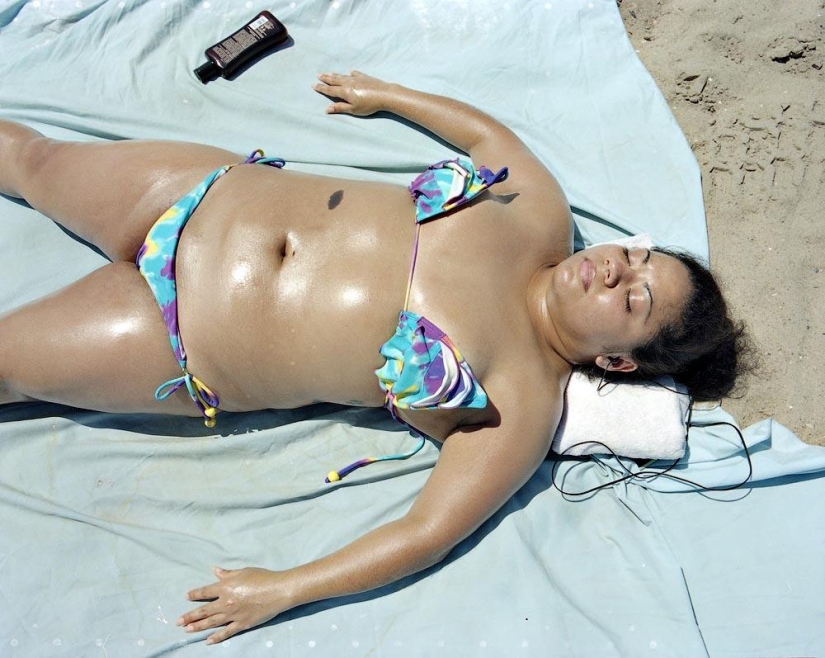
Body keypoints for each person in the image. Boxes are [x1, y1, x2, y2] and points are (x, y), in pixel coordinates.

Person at [0, 71, 748, 643]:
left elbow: (426, 533)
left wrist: (285, 589)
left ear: (618, 363)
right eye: (635, 258)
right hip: (203, 192)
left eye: (635, 300)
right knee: (28, 156)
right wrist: (385, 96)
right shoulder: (542, 215)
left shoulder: (516, 402)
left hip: (179, 336)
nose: (616, 270)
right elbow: (492, 141)